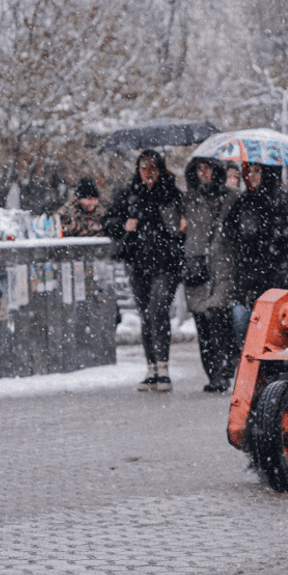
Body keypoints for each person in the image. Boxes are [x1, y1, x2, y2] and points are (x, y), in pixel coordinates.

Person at [102, 150, 185, 392]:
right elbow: (108, 222)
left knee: (158, 310)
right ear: (137, 169)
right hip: (138, 263)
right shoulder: (129, 195)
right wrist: (122, 225)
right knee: (146, 315)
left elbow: (184, 226)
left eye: (153, 167)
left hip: (166, 264)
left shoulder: (171, 195)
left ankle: (163, 367)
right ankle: (151, 368)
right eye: (144, 167)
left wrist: (181, 226)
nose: (148, 173)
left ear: (161, 169)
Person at [224, 162, 288, 347]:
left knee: (270, 339)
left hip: (274, 282)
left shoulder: (283, 202)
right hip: (246, 280)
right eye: (248, 171)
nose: (252, 176)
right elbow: (230, 233)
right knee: (242, 328)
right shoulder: (243, 202)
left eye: (257, 171)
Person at [182, 158, 241, 393]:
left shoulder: (232, 197)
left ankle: (223, 369)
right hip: (196, 266)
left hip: (223, 265)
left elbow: (240, 230)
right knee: (202, 323)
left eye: (207, 168)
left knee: (218, 317)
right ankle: (214, 372)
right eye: (199, 169)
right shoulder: (187, 200)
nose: (203, 173)